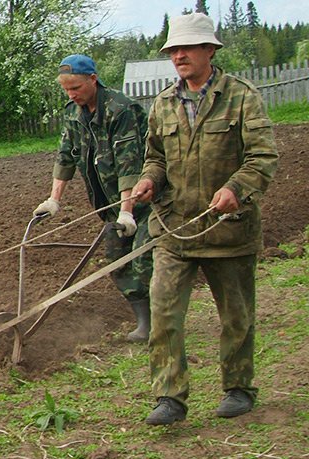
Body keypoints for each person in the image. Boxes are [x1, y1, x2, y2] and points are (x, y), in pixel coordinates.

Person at [131, 12, 278, 425]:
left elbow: (263, 157)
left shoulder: (241, 97)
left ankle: (238, 386)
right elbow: (156, 158)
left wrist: (236, 188)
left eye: (187, 48)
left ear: (209, 50)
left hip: (228, 229)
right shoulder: (162, 103)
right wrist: (148, 181)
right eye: (173, 49)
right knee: (164, 315)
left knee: (236, 316)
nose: (178, 55)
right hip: (175, 229)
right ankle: (170, 397)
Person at [34, 54, 153, 343]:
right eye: (66, 89)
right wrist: (54, 199)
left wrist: (128, 211)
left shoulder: (120, 109)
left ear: (93, 79)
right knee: (117, 259)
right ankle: (146, 324)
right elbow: (65, 156)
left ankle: (165, 320)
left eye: (75, 87)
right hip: (109, 204)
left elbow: (129, 162)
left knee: (146, 259)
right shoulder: (73, 113)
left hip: (147, 200)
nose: (71, 94)